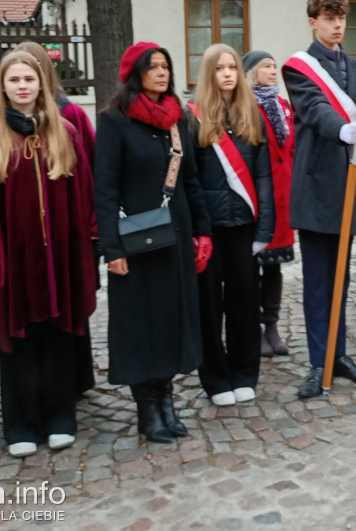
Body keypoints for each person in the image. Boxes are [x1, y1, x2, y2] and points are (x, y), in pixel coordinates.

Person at [0, 51, 97, 457]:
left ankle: (60, 416)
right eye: (14, 80)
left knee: (58, 334)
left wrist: (88, 247)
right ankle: (20, 423)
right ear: (1, 86)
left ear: (41, 83)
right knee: (17, 341)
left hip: (60, 254)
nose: (22, 86)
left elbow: (84, 196)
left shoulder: (66, 133)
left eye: (29, 79)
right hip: (13, 259)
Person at [94, 43, 210, 443]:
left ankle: (167, 402)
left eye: (165, 67)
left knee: (170, 322)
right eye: (153, 67)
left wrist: (203, 232)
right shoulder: (114, 121)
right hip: (136, 243)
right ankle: (148, 409)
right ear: (135, 74)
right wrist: (112, 249)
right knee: (142, 325)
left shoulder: (178, 120)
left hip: (174, 239)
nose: (161, 73)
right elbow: (105, 189)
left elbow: (192, 182)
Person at [282, 0, 356, 399]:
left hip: (349, 186)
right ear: (313, 22)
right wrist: (340, 129)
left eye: (341, 18)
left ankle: (339, 356)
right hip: (317, 186)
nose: (337, 25)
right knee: (319, 282)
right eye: (328, 18)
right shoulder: (299, 67)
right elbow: (314, 109)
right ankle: (318, 361)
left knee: (343, 277)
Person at [187, 44, 275, 406]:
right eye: (220, 68)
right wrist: (196, 228)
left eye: (232, 68)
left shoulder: (251, 114)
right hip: (209, 229)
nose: (227, 74)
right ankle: (216, 378)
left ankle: (244, 372)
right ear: (209, 74)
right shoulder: (190, 117)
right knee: (209, 306)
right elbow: (188, 179)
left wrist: (264, 228)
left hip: (243, 225)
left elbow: (264, 174)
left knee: (244, 302)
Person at [243, 50, 295, 357]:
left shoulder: (283, 106)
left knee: (274, 269)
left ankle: (271, 326)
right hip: (256, 197)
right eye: (266, 67)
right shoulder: (244, 108)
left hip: (282, 200)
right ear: (251, 72)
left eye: (275, 66)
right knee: (251, 269)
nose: (274, 71)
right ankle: (251, 328)